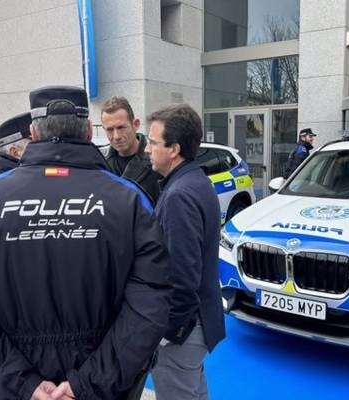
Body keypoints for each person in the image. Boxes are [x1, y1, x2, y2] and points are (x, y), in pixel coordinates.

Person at [0, 85, 172, 400]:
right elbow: (150, 304)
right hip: (106, 385)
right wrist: (88, 383)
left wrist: (22, 384)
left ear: (32, 131)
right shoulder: (130, 200)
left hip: (22, 381)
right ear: (88, 131)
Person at [145, 104, 225, 400]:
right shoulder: (196, 182)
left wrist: (166, 334)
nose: (147, 150)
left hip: (183, 332)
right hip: (197, 324)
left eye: (153, 143)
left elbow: (182, 277)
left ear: (174, 149)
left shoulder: (180, 195)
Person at [102, 96, 161, 203]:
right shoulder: (100, 164)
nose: (116, 136)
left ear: (136, 124)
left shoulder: (158, 161)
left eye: (121, 128)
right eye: (110, 130)